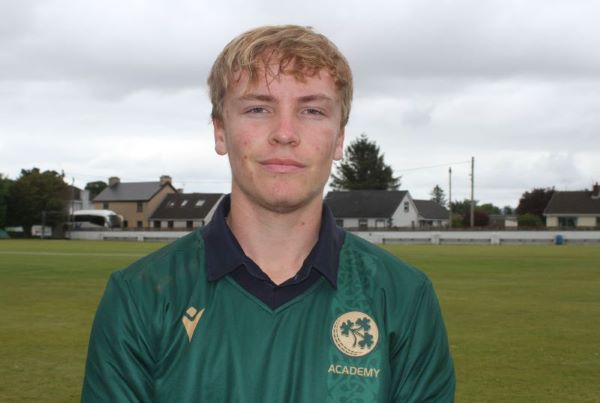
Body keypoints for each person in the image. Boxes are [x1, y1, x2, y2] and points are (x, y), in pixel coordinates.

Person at [81, 25, 455, 402]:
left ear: (339, 139)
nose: (285, 133)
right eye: (258, 109)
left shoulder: (403, 297)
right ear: (220, 131)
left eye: (312, 110)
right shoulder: (141, 295)